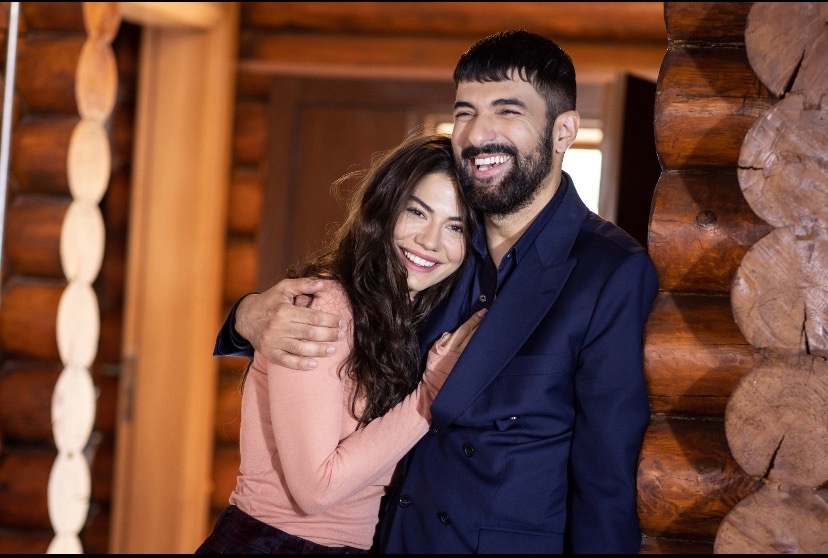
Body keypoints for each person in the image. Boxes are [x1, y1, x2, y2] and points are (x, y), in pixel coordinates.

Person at [215, 30, 659, 553]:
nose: (479, 133)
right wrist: (247, 316)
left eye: (507, 111)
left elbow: (606, 484)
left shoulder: (610, 272)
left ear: (563, 132)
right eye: (466, 112)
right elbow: (351, 326)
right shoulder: (436, 260)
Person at [199, 132, 485, 554]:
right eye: (416, 212)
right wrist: (432, 391)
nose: (430, 241)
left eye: (455, 227)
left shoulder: (405, 319)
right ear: (384, 209)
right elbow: (316, 489)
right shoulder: (329, 306)